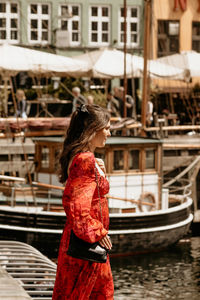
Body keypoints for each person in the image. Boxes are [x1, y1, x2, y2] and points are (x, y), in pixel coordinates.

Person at [52, 104, 114, 300]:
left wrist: (99, 171)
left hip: (85, 243)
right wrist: (97, 232)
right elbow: (75, 206)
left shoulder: (83, 157)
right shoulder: (85, 159)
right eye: (107, 128)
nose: (109, 133)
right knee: (96, 295)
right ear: (93, 129)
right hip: (87, 245)